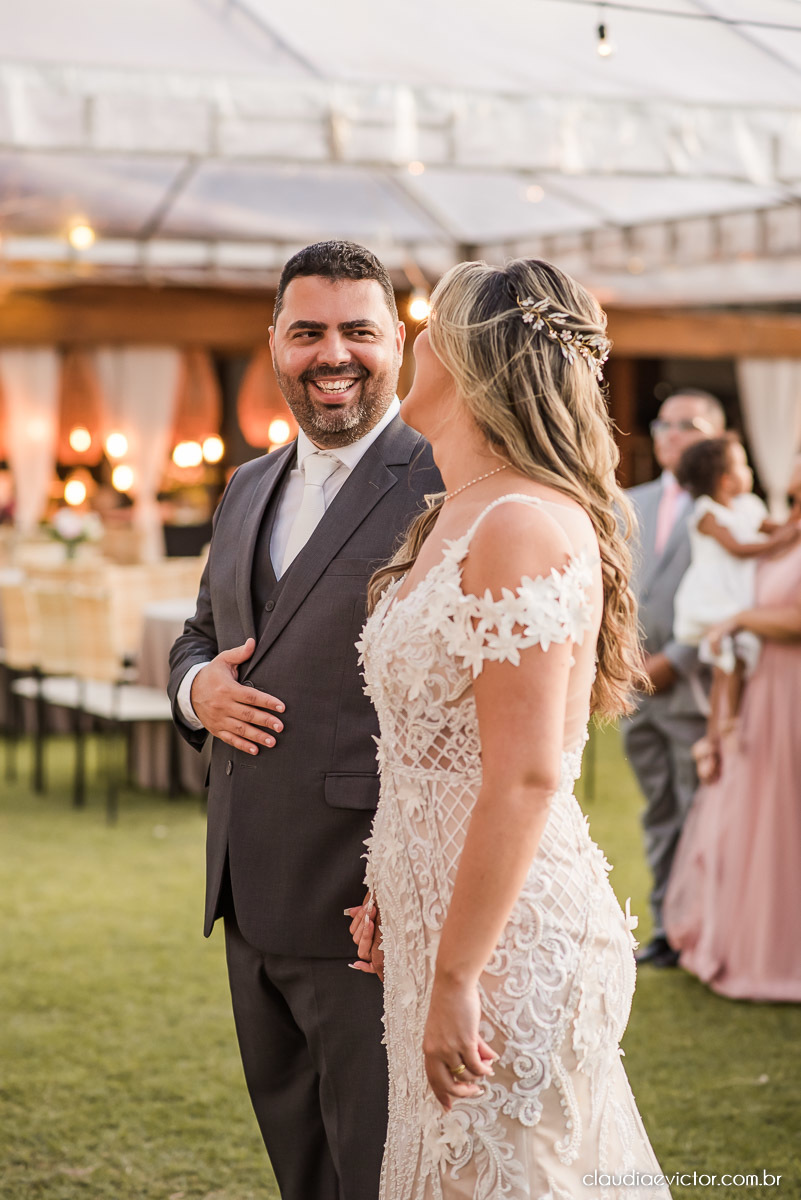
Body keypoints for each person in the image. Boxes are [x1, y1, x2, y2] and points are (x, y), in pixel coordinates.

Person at [349, 259, 671, 1199]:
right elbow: (426, 751)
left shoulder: (519, 525)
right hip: (439, 921)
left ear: (473, 356)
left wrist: (458, 973)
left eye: (426, 324)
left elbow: (527, 776)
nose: (410, 341)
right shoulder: (456, 513)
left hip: (506, 942)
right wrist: (389, 886)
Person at [167, 240, 440, 1200]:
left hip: (370, 896)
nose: (334, 355)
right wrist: (195, 690)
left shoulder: (447, 480)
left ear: (397, 342)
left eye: (358, 331)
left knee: (377, 1167)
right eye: (308, 332)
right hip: (246, 889)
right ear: (273, 343)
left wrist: (411, 885)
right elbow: (199, 635)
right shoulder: (246, 487)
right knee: (301, 1169)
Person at [664, 462, 801, 1001]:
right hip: (759, 696)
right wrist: (719, 725)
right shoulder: (771, 533)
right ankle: (755, 947)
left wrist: (740, 620)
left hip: (791, 696)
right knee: (756, 818)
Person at [621, 388, 725, 968]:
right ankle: (668, 926)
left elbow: (726, 601)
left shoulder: (727, 508)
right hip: (634, 692)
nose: (671, 435)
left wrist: (672, 662)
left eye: (687, 424)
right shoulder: (626, 503)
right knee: (659, 809)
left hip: (695, 691)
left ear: (716, 436)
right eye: (663, 424)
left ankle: (707, 929)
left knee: (700, 813)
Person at [672, 434, 798, 781]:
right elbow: (739, 548)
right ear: (726, 480)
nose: (749, 471)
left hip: (739, 594)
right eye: (742, 464)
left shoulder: (750, 507)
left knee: (736, 656)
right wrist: (778, 542)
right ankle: (722, 727)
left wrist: (789, 529)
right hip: (715, 595)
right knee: (729, 657)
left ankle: (721, 727)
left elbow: (780, 527)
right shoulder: (707, 515)